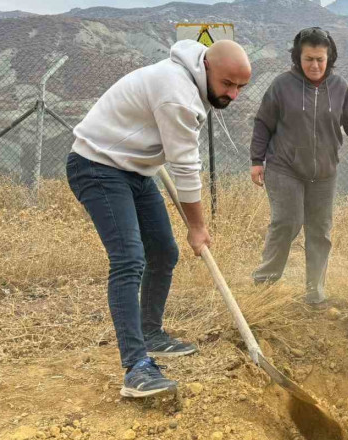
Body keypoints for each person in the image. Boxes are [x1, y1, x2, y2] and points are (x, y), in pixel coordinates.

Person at [66, 40, 251, 397]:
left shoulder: (190, 82)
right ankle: (136, 368)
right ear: (207, 66)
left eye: (241, 87)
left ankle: (150, 333)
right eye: (228, 84)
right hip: (98, 166)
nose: (234, 94)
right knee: (129, 260)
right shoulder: (177, 94)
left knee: (164, 252)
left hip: (134, 169)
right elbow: (185, 168)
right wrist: (197, 227)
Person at [249, 27, 348, 304]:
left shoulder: (339, 87)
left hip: (324, 172)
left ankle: (314, 291)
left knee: (320, 230)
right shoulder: (281, 85)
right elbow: (263, 122)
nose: (314, 65)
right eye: (309, 58)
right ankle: (264, 284)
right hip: (284, 166)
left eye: (320, 59)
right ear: (298, 58)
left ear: (329, 59)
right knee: (287, 222)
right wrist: (256, 160)